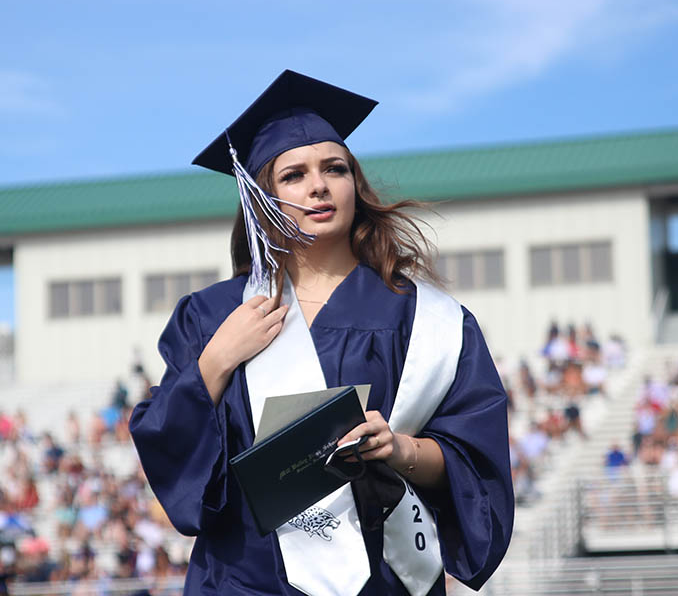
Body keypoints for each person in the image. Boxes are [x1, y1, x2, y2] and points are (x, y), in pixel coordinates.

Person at [130, 70, 514, 596]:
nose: (318, 186)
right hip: (244, 578)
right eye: (293, 175)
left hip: (381, 576)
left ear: (354, 184)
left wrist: (399, 449)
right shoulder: (211, 315)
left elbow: (475, 461)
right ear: (260, 196)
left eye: (334, 169)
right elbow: (167, 447)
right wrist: (217, 361)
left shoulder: (426, 319)